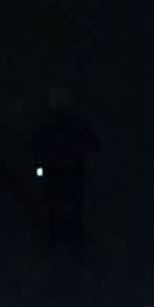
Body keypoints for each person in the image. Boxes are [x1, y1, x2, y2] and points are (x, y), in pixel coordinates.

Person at [30, 86, 100, 256]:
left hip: (57, 169)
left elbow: (37, 147)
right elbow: (92, 141)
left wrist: (39, 170)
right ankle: (73, 238)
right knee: (73, 203)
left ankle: (56, 238)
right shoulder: (74, 121)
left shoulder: (49, 123)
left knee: (55, 203)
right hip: (72, 168)